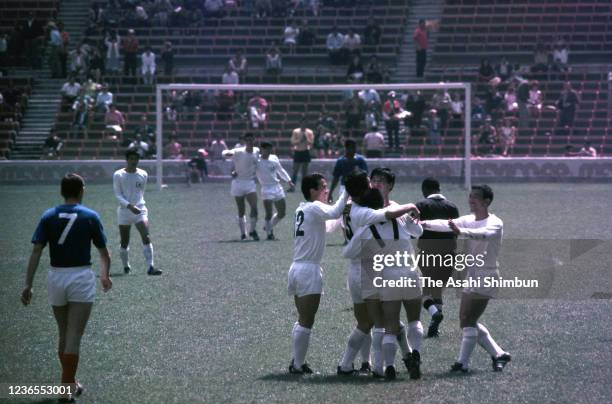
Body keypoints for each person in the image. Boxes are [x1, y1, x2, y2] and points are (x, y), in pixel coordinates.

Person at [21, 174, 112, 402]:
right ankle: (65, 388)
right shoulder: (90, 216)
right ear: (82, 190)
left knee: (63, 333)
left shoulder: (48, 215)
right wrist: (104, 276)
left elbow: (36, 251)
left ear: (62, 191)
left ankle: (70, 382)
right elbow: (103, 252)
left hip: (56, 277)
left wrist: (28, 285)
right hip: (80, 276)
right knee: (74, 335)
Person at [336, 168, 422, 379]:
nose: (374, 184)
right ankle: (380, 365)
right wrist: (408, 207)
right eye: (371, 181)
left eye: (378, 181)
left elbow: (347, 248)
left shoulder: (351, 209)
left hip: (370, 269)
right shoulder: (365, 214)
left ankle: (371, 364)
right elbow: (391, 218)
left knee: (378, 322)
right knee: (379, 323)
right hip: (370, 270)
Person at [421, 185, 511, 373]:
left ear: (486, 201)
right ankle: (498, 354)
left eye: (475, 197)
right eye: (470, 197)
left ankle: (462, 363)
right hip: (472, 274)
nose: (471, 200)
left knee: (468, 320)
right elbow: (446, 223)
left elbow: (485, 234)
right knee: (465, 320)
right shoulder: (468, 219)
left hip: (487, 275)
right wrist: (424, 224)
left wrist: (461, 232)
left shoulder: (496, 222)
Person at [287, 174, 348, 374]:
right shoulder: (314, 207)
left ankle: (297, 362)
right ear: (312, 190)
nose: (326, 190)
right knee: (307, 319)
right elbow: (335, 210)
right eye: (323, 187)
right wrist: (345, 190)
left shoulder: (303, 208)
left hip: (297, 268)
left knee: (303, 318)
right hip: (308, 270)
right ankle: (297, 365)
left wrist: (341, 214)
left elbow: (329, 226)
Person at [415, 178, 459, 338]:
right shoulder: (452, 206)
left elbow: (414, 229)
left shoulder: (421, 205)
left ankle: (434, 313)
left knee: (422, 291)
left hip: (428, 253)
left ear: (425, 190)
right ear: (439, 189)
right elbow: (456, 230)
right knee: (437, 291)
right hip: (448, 255)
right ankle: (436, 322)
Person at [113, 150, 162, 275]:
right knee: (124, 241)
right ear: (127, 160)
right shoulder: (118, 175)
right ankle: (126, 266)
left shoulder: (143, 174)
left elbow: (141, 192)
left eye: (136, 159)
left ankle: (150, 267)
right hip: (125, 212)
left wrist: (137, 206)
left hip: (140, 210)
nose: (134, 161)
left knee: (146, 236)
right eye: (131, 159)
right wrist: (129, 206)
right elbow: (118, 195)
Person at [221, 133, 260, 240]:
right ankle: (243, 233)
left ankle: (252, 231)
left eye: (251, 139)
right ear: (244, 141)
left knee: (254, 208)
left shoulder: (256, 151)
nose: (249, 142)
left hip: (250, 183)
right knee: (241, 210)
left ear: (254, 140)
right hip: (238, 183)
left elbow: (257, 163)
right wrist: (229, 154)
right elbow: (224, 153)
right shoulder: (238, 151)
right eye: (247, 140)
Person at [256, 142, 294, 240]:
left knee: (282, 213)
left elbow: (280, 170)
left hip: (277, 187)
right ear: (262, 149)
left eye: (270, 149)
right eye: (267, 149)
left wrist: (289, 181)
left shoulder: (274, 158)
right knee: (268, 213)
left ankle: (267, 226)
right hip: (266, 189)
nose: (269, 151)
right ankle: (269, 234)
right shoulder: (257, 160)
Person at [289, 117, 314, 191]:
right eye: (302, 123)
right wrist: (300, 140)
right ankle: (292, 187)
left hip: (305, 152)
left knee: (305, 172)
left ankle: (305, 187)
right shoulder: (296, 131)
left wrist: (306, 139)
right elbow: (293, 142)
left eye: (305, 123)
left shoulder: (309, 132)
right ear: (300, 123)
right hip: (298, 152)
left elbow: (311, 143)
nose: (304, 124)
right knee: (295, 171)